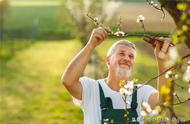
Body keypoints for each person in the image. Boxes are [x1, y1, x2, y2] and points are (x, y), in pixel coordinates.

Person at [61, 27, 169, 124]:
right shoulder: (92, 89)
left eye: (131, 56)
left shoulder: (141, 91)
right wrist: (91, 44)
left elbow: (161, 104)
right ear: (108, 60)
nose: (127, 58)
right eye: (121, 53)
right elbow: (68, 81)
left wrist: (162, 61)